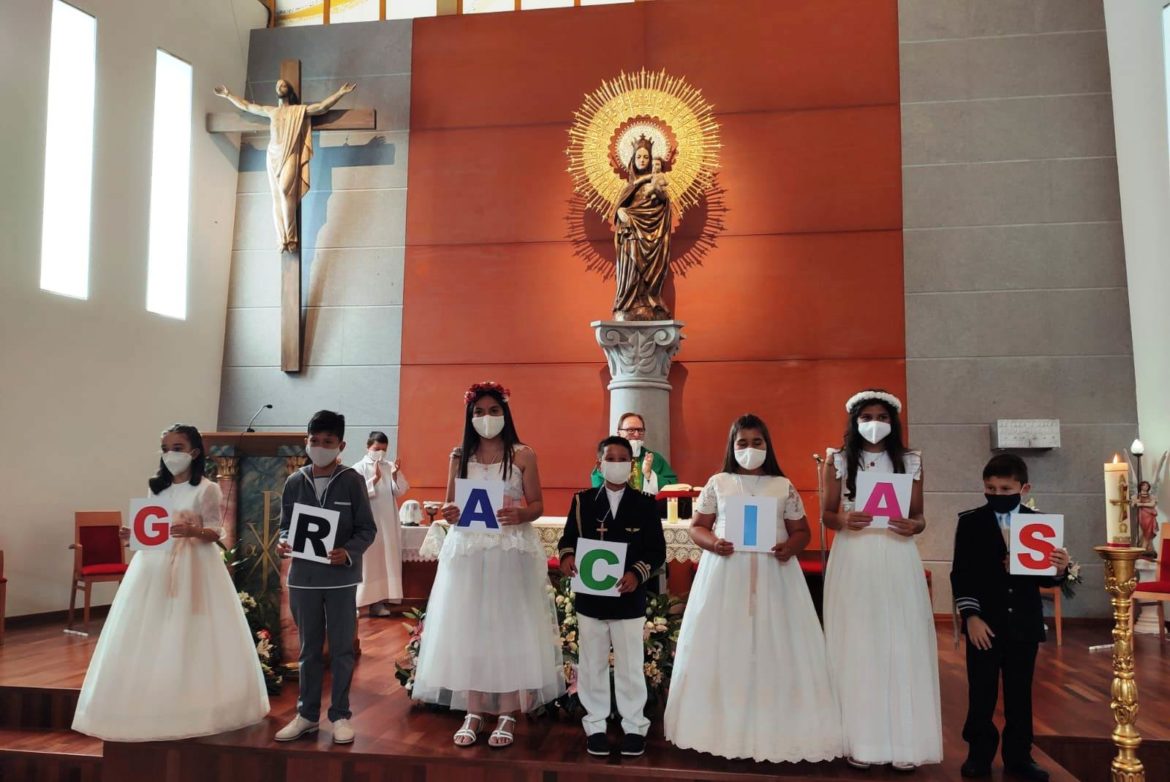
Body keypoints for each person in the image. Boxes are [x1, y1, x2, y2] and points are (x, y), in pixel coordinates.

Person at [72, 425, 270, 741]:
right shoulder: (156, 489)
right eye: (165, 447)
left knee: (192, 627)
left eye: (177, 447)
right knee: (151, 625)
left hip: (195, 565)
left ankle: (196, 700)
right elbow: (152, 531)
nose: (170, 454)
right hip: (154, 565)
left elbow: (216, 532)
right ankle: (150, 697)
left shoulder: (207, 489)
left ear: (193, 452)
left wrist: (192, 532)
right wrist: (131, 534)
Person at [664, 414, 841, 763]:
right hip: (726, 574)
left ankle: (778, 725)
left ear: (767, 445)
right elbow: (697, 527)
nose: (749, 448)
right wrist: (714, 543)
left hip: (776, 578)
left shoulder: (782, 485)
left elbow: (801, 531)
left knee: (776, 643)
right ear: (732, 446)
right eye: (742, 442)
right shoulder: (718, 482)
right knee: (725, 642)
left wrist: (790, 547)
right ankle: (718, 726)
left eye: (757, 442)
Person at [411, 381, 564, 749]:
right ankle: (474, 709)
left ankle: (509, 711)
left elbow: (538, 504)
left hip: (508, 550)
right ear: (470, 416)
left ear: (505, 413)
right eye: (479, 412)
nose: (486, 418)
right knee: (470, 626)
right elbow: (450, 505)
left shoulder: (523, 454)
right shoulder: (458, 455)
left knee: (507, 625)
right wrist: (448, 512)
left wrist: (520, 513)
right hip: (468, 551)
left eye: (493, 411)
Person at [821, 389, 942, 770]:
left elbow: (920, 516)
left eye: (883, 416)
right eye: (867, 416)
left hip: (895, 553)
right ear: (855, 422)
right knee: (859, 638)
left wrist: (912, 525)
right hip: (855, 554)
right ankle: (859, 737)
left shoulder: (910, 461)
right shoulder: (838, 460)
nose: (875, 423)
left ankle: (903, 738)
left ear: (894, 422)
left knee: (900, 637)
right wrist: (843, 520)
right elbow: (826, 513)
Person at [952, 454, 1070, 781]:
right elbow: (961, 574)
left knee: (1020, 693)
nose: (998, 494)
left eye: (1006, 488)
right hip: (984, 624)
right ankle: (979, 753)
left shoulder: (1040, 524)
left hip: (1023, 623)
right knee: (982, 691)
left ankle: (1019, 756)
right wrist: (971, 616)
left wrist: (1059, 568)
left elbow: (1046, 579)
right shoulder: (971, 521)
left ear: (1023, 487)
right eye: (990, 488)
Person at [559, 436, 666, 758]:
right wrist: (566, 557)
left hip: (628, 599)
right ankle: (596, 725)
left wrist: (637, 573)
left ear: (631, 466)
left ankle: (634, 725)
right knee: (591, 663)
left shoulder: (646, 504)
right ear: (599, 463)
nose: (616, 463)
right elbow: (568, 539)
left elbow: (656, 551)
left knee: (631, 664)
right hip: (591, 600)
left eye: (623, 459)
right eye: (611, 458)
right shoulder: (583, 502)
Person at [274, 410, 376, 745]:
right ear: (306, 442)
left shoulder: (352, 480)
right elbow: (286, 524)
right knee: (309, 650)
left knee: (343, 649)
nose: (319, 447)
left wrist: (348, 551)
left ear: (341, 445)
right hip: (303, 578)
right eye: (314, 441)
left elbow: (367, 529)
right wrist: (284, 541)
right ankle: (306, 715)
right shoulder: (295, 481)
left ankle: (341, 715)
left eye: (327, 442)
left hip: (340, 579)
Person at [352, 431, 409, 617]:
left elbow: (400, 491)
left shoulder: (390, 466)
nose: (381, 453)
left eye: (384, 450)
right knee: (368, 561)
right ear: (368, 446)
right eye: (377, 449)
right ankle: (360, 604)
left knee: (385, 560)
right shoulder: (358, 468)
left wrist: (394, 476)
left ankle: (379, 602)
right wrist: (374, 479)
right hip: (367, 521)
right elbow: (356, 495)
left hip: (388, 521)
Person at [590, 412, 678, 496]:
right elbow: (598, 489)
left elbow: (672, 487)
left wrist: (650, 475)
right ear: (619, 433)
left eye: (640, 430)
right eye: (631, 430)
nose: (636, 434)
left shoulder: (655, 458)